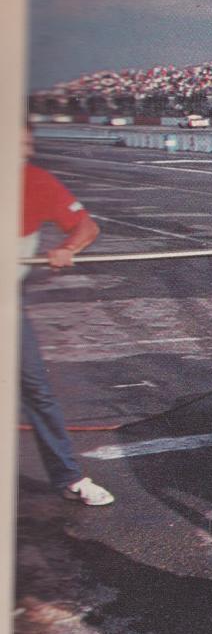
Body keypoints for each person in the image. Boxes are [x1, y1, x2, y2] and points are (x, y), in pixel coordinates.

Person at [19, 128, 114, 506]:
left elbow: (87, 226)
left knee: (36, 389)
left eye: (25, 144)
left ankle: (69, 477)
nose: (23, 149)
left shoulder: (35, 181)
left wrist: (68, 247)